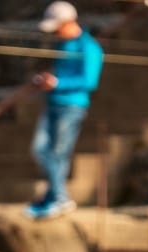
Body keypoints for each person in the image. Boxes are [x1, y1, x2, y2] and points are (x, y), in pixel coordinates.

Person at [25, 1, 103, 220]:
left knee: (56, 153)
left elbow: (89, 81)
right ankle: (53, 196)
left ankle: (59, 198)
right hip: (52, 102)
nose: (55, 32)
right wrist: (46, 80)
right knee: (41, 150)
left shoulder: (89, 47)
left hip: (72, 106)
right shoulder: (62, 45)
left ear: (68, 22)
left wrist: (58, 83)